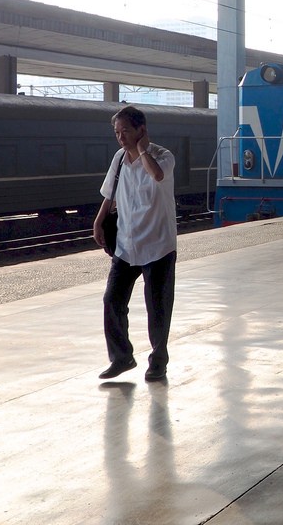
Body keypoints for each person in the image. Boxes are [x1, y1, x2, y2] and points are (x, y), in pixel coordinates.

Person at [93, 106, 177, 382]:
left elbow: (157, 175)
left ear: (142, 130)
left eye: (126, 131)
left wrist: (142, 151)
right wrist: (99, 220)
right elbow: (110, 193)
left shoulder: (163, 156)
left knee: (158, 307)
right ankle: (122, 357)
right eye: (117, 132)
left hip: (158, 244)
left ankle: (158, 362)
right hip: (127, 244)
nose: (120, 138)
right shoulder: (118, 159)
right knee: (112, 300)